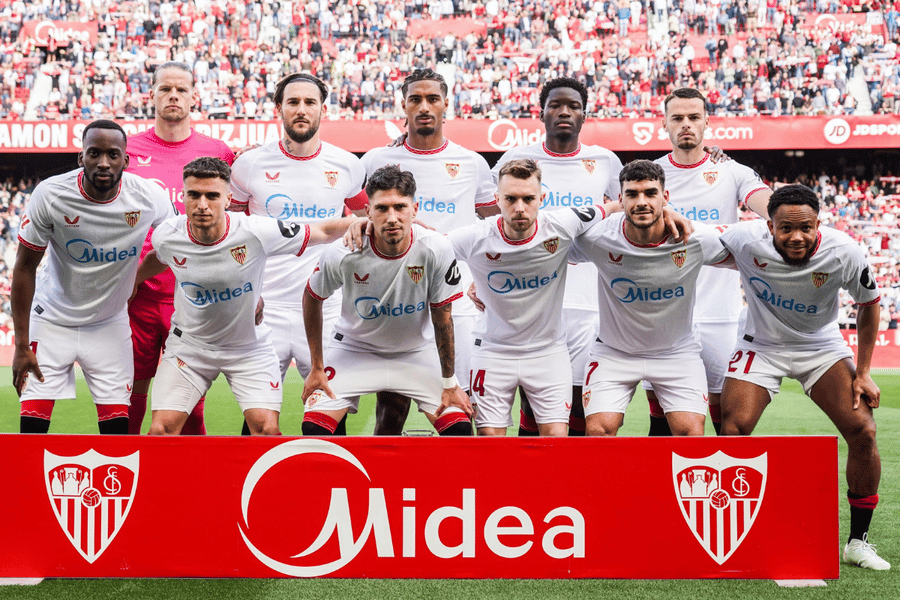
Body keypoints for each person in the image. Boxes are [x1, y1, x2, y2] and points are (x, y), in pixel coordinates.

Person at [718, 184, 889, 571]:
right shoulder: (744, 238)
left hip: (821, 347)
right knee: (733, 429)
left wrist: (863, 372)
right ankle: (734, 534)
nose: (797, 237)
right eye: (786, 228)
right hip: (760, 345)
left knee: (863, 430)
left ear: (818, 224)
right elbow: (692, 240)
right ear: (769, 227)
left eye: (806, 228)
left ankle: (858, 543)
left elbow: (869, 304)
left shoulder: (844, 251)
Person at [132, 157, 360, 436]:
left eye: (212, 196)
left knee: (266, 430)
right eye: (194, 195)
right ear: (184, 196)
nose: (202, 205)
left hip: (248, 349)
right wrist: (134, 281)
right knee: (161, 431)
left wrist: (367, 222)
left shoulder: (256, 231)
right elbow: (159, 257)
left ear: (228, 199)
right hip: (189, 348)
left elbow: (323, 231)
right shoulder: (168, 234)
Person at [12, 120, 176, 434]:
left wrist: (135, 277)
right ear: (81, 158)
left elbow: (176, 247)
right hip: (51, 321)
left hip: (109, 324)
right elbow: (24, 268)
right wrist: (21, 344)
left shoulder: (148, 196)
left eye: (113, 154)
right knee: (32, 430)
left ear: (126, 160)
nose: (103, 162)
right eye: (94, 153)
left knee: (116, 433)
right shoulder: (51, 194)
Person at [229, 73, 366, 435]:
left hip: (326, 309)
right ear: (279, 108)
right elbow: (232, 234)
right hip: (265, 309)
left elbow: (368, 222)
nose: (301, 110)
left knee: (328, 422)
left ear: (323, 109)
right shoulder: (249, 165)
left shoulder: (348, 165)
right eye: (293, 102)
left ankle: (330, 473)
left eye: (309, 102)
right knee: (258, 422)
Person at [361, 68, 496, 434]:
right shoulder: (375, 161)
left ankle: (463, 472)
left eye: (432, 99)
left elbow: (493, 229)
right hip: (397, 299)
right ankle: (385, 471)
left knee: (462, 404)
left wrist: (484, 279)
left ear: (446, 104)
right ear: (403, 106)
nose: (424, 106)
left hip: (455, 300)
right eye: (415, 99)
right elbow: (356, 218)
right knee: (391, 409)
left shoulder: (471, 163)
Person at [491, 77, 623, 437]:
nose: (564, 112)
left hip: (587, 299)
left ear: (584, 114)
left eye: (573, 106)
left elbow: (631, 206)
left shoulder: (605, 161)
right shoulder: (516, 160)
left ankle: (570, 470)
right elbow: (488, 212)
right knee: (532, 402)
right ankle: (530, 470)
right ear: (541, 112)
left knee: (579, 401)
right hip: (530, 298)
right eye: (555, 105)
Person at [301, 165, 474, 437]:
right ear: (367, 212)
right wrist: (316, 367)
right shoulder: (343, 252)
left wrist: (450, 383)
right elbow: (312, 297)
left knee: (460, 428)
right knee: (314, 426)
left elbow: (443, 317)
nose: (392, 217)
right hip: (355, 351)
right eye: (382, 208)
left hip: (416, 352)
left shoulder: (435, 248)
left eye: (400, 207)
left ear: (414, 209)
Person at [645, 87, 771, 436]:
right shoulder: (651, 175)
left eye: (693, 117)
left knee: (725, 419)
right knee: (663, 418)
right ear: (664, 124)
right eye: (677, 118)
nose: (686, 124)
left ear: (706, 121)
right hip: (664, 314)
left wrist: (782, 216)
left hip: (719, 314)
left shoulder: (731, 170)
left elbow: (766, 202)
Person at [571, 160, 730, 436]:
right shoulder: (598, 238)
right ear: (620, 199)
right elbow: (545, 246)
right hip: (614, 353)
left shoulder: (695, 238)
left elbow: (750, 256)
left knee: (690, 434)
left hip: (676, 353)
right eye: (632, 194)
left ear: (665, 197)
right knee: (598, 432)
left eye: (650, 193)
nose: (641, 202)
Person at [448, 159, 605, 436]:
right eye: (510, 199)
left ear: (542, 199)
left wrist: (667, 213)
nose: (519, 207)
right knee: (490, 441)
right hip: (493, 352)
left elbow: (613, 208)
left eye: (528, 199)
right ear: (497, 199)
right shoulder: (475, 236)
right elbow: (427, 248)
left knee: (556, 440)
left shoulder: (561, 225)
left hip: (548, 352)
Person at [126, 61, 235, 435]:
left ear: (194, 96)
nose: (173, 96)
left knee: (191, 402)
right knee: (129, 393)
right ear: (151, 94)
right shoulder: (127, 151)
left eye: (181, 90)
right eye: (165, 89)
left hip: (192, 294)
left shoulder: (218, 152)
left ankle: (195, 470)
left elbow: (236, 221)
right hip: (138, 294)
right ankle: (125, 462)